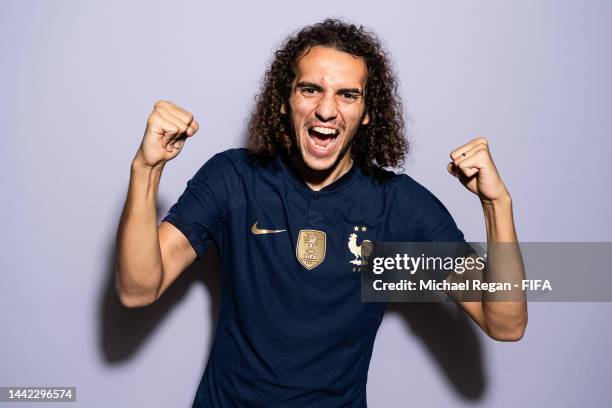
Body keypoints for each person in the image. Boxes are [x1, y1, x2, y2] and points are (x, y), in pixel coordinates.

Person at [115, 19, 527, 407]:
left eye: (347, 94)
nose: (327, 110)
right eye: (310, 89)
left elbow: (505, 323)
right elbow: (138, 289)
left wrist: (496, 204)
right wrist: (147, 169)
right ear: (284, 100)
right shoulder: (234, 178)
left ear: (367, 112)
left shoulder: (398, 205)